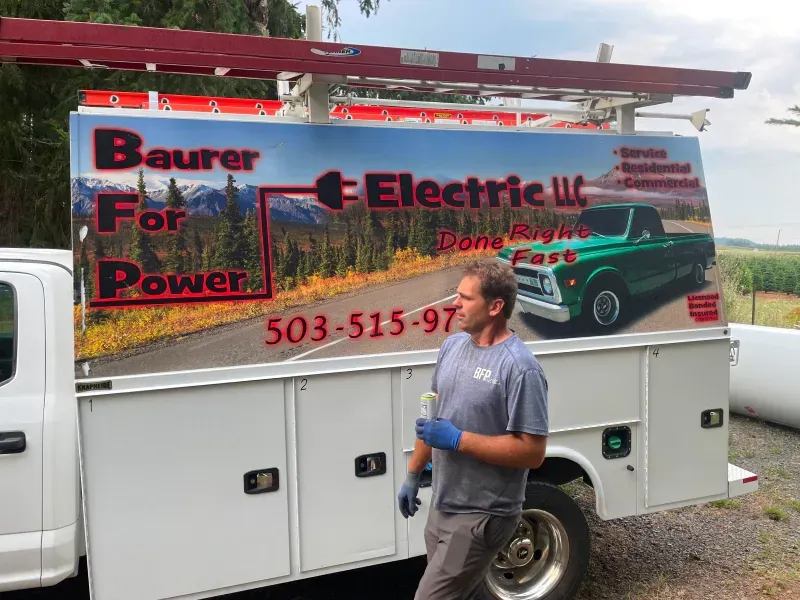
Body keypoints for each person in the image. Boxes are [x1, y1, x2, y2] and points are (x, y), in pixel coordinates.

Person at [398, 259, 549, 600]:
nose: (455, 304)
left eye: (466, 298)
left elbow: (532, 452)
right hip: (444, 502)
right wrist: (413, 474)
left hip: (482, 514)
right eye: (457, 295)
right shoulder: (452, 347)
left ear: (495, 307)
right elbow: (433, 418)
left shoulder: (519, 368)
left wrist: (458, 439)